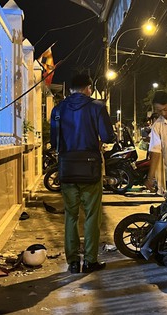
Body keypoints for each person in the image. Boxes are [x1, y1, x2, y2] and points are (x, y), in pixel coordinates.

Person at [50, 74, 115, 274]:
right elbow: (107, 136)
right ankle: (89, 261)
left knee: (70, 215)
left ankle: (71, 262)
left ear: (70, 90)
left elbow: (54, 142)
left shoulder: (58, 109)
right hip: (90, 169)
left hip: (67, 168)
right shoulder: (97, 107)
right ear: (88, 88)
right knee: (91, 216)